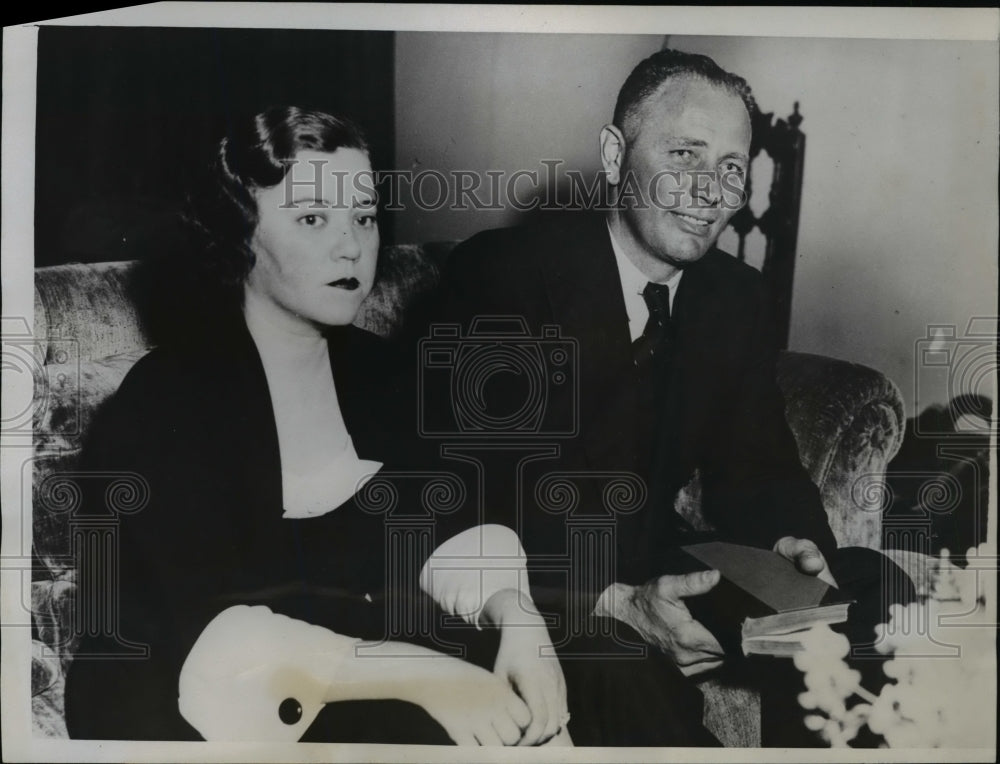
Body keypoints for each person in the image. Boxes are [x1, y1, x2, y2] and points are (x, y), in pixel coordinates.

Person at [429, 49, 914, 745]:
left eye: (730, 168)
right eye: (684, 153)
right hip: (550, 588)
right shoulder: (505, 276)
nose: (709, 189)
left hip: (661, 562)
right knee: (622, 671)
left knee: (873, 588)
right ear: (612, 154)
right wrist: (619, 603)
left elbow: (759, 465)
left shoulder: (734, 298)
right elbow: (472, 495)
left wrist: (793, 544)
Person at [63, 106, 569, 746]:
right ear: (240, 235)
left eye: (363, 216)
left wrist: (518, 618)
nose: (352, 245)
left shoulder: (383, 372)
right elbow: (209, 635)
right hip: (192, 702)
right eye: (312, 219)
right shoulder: (168, 401)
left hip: (353, 667)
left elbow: (444, 520)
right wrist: (423, 674)